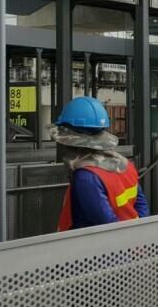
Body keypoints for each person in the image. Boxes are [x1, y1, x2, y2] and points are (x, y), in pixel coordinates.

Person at [50, 96, 149, 230]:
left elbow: (107, 225)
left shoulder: (86, 177)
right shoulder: (125, 164)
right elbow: (142, 207)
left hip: (94, 248)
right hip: (132, 244)